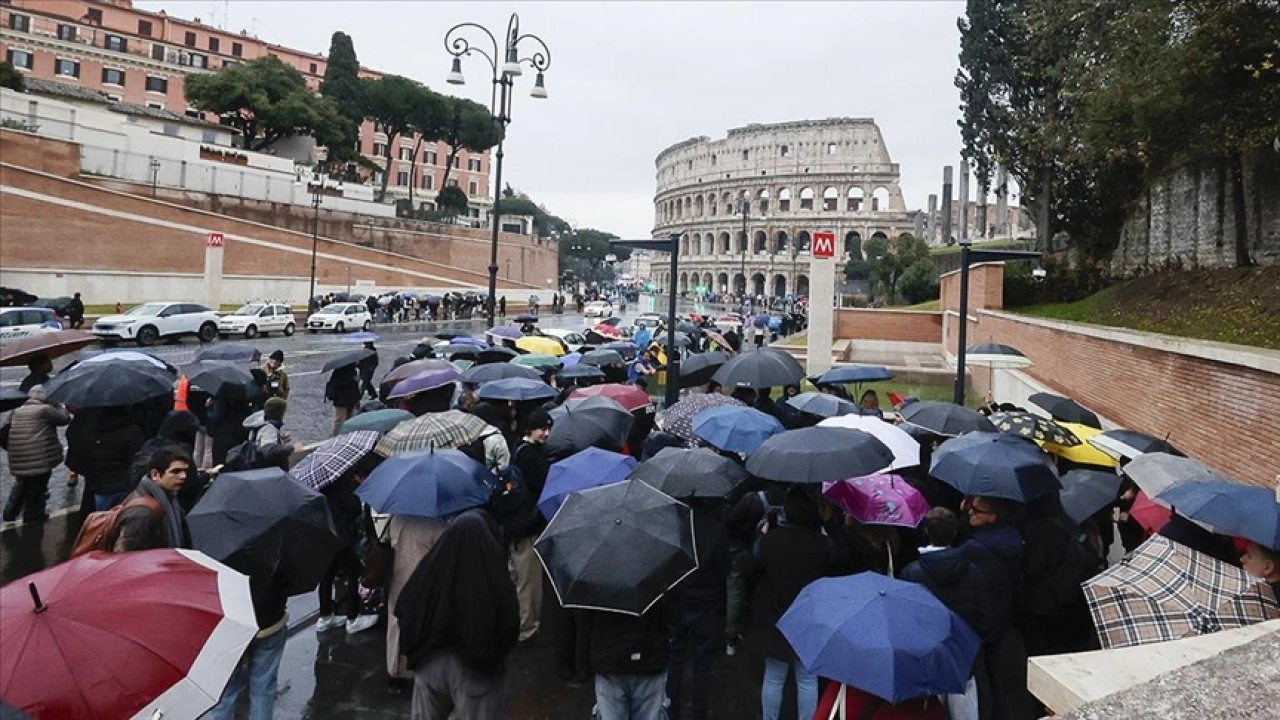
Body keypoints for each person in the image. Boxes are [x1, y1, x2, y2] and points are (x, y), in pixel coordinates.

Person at [395, 510, 520, 720]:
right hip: (476, 672)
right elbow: (509, 623)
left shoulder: (431, 569)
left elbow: (405, 607)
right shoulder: (492, 573)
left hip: (429, 666)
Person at [749, 487, 852, 720]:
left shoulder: (770, 541)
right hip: (810, 616)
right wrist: (830, 524)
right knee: (807, 678)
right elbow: (840, 560)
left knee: (774, 677)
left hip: (775, 615)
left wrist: (764, 534)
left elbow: (751, 565)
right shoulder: (823, 544)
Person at [900, 508, 987, 720]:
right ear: (955, 533)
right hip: (963, 657)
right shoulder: (973, 571)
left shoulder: (911, 573)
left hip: (927, 659)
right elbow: (981, 613)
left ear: (926, 532)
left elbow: (906, 621)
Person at [665, 498, 730, 720]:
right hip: (707, 603)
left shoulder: (674, 527)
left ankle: (671, 709)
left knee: (675, 657)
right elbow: (724, 568)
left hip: (679, 600)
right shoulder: (716, 528)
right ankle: (699, 712)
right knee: (703, 662)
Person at [498, 410, 554, 642]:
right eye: (542, 429)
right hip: (527, 526)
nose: (546, 434)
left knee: (516, 577)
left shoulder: (518, 449)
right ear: (531, 429)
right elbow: (542, 486)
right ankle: (527, 629)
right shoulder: (532, 456)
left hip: (515, 525)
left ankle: (514, 622)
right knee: (529, 582)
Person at [316, 452, 381, 636]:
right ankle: (353, 617)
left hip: (324, 534)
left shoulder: (322, 482)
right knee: (355, 572)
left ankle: (325, 616)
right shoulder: (343, 482)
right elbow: (353, 508)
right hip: (340, 536)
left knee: (327, 574)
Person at [386, 513, 450, 690]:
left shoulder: (396, 519)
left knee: (395, 624)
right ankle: (413, 668)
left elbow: (385, 541)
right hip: (422, 582)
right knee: (420, 625)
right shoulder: (435, 523)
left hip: (397, 578)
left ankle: (394, 669)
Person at [590, 601, 671, 720]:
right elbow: (673, 617)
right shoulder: (657, 589)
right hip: (649, 658)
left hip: (608, 661)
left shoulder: (595, 589)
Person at [2, 385, 71, 523]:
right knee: (38, 487)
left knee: (22, 483)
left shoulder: (17, 410)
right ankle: (33, 516)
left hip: (19, 453)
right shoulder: (45, 409)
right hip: (39, 456)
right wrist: (58, 405)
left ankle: (9, 513)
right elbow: (64, 419)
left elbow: (5, 429)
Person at [80, 405, 145, 513]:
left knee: (104, 518)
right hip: (125, 486)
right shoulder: (132, 431)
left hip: (101, 486)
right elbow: (137, 460)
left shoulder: (91, 430)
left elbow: (87, 457)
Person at [124, 447, 193, 548]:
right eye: (175, 471)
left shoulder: (171, 501)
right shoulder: (141, 512)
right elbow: (131, 553)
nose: (183, 476)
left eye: (185, 471)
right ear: (155, 475)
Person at [207, 383, 251, 466]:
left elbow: (215, 417)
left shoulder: (222, 394)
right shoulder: (242, 394)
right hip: (239, 437)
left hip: (222, 435)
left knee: (220, 466)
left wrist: (209, 408)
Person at [326, 364, 362, 435]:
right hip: (342, 400)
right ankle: (336, 436)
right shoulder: (340, 371)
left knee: (349, 420)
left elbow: (355, 387)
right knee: (340, 420)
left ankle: (346, 435)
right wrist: (352, 379)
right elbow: (337, 384)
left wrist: (357, 399)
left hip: (351, 400)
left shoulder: (353, 370)